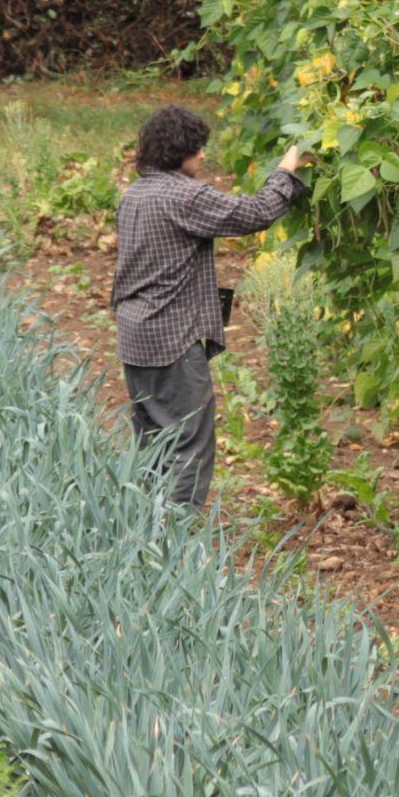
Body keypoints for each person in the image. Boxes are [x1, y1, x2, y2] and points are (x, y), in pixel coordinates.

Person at [112, 105, 309, 507]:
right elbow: (255, 213)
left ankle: (144, 537)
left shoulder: (134, 195)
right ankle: (175, 542)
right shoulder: (183, 196)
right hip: (171, 338)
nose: (203, 156)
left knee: (153, 443)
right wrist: (287, 169)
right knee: (190, 446)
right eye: (197, 148)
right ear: (178, 151)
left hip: (134, 335)